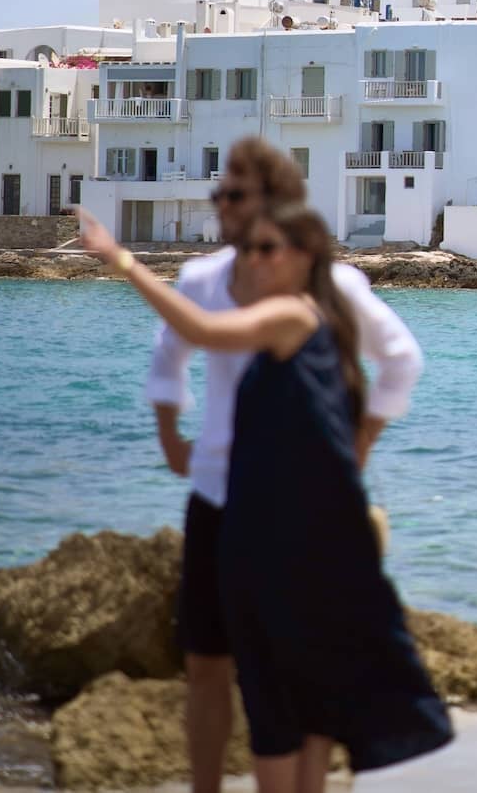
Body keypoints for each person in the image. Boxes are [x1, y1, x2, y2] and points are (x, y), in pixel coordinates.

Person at [80, 201, 452, 793]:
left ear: (304, 258)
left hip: (283, 539)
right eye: (249, 250)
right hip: (304, 529)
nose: (253, 261)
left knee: (273, 697)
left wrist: (120, 260)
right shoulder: (320, 322)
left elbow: (199, 331)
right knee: (302, 688)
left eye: (267, 250)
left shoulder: (289, 314)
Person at [144, 139, 424, 793]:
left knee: (303, 667)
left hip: (300, 510)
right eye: (219, 194)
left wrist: (360, 445)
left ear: (273, 201)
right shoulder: (202, 278)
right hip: (216, 495)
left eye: (235, 195)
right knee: (206, 663)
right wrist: (170, 438)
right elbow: (169, 357)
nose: (222, 205)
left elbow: (401, 359)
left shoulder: (332, 285)